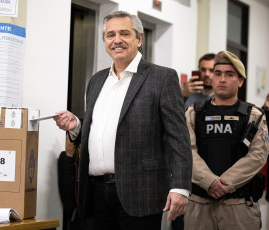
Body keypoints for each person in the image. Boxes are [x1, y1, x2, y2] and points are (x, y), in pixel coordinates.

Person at [54, 11, 192, 230]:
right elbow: (99, 131)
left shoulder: (162, 78)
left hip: (141, 193)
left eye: (124, 33)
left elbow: (179, 139)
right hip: (96, 193)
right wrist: (76, 127)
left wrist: (181, 187)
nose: (116, 40)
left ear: (139, 39)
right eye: (110, 35)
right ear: (105, 42)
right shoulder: (97, 80)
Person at [184, 51, 269, 230]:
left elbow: (257, 155)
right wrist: (209, 182)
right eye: (218, 74)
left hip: (239, 208)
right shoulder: (193, 113)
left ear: (240, 81)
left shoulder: (254, 116)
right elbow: (187, 151)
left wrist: (224, 184)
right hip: (199, 205)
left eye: (229, 74)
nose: (222, 79)